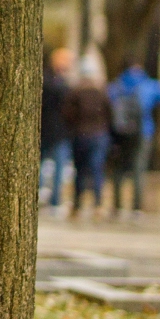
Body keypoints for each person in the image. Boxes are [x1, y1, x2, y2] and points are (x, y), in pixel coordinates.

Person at [106, 62, 160, 218]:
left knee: (119, 170)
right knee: (138, 170)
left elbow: (106, 107)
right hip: (143, 133)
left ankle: (117, 206)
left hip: (120, 134)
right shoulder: (148, 86)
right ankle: (136, 208)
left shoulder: (115, 86)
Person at [62, 55, 112, 218]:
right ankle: (98, 204)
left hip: (80, 135)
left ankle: (77, 204)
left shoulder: (75, 92)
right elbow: (110, 113)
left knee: (80, 170)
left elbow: (67, 114)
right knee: (97, 169)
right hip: (99, 135)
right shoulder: (101, 92)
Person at [40, 48, 73, 213]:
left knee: (42, 164)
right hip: (59, 131)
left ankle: (43, 196)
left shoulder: (44, 80)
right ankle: (54, 201)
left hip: (45, 128)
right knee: (58, 167)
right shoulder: (61, 85)